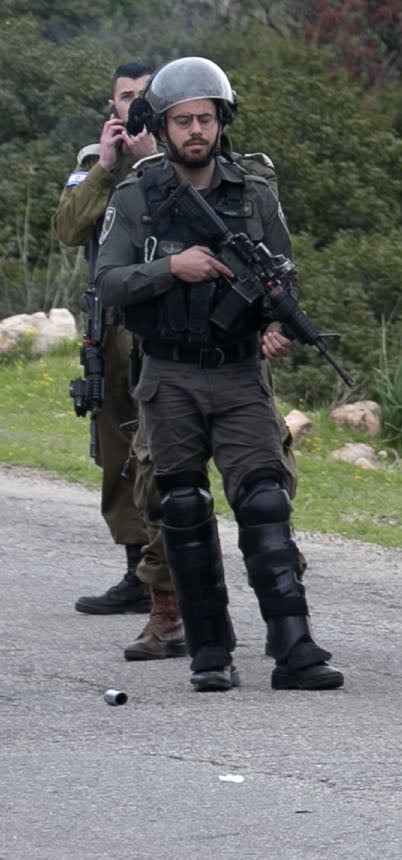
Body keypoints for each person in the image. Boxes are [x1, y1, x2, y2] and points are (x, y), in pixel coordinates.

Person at [93, 57, 342, 693]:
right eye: (183, 121)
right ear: (164, 126)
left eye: (205, 118)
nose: (195, 131)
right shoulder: (137, 195)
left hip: (237, 371)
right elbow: (108, 281)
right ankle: (210, 652)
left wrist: (275, 322)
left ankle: (295, 647)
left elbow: (280, 275)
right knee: (182, 506)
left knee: (264, 501)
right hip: (169, 371)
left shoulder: (253, 195)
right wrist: (171, 268)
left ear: (220, 121)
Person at [51, 61, 157, 621]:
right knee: (117, 449)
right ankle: (136, 572)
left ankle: (179, 574)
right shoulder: (94, 166)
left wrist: (148, 162)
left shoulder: (182, 158)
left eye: (145, 95)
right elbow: (67, 229)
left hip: (164, 323)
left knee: (164, 451)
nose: (135, 104)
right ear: (111, 108)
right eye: (125, 96)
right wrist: (108, 167)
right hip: (111, 326)